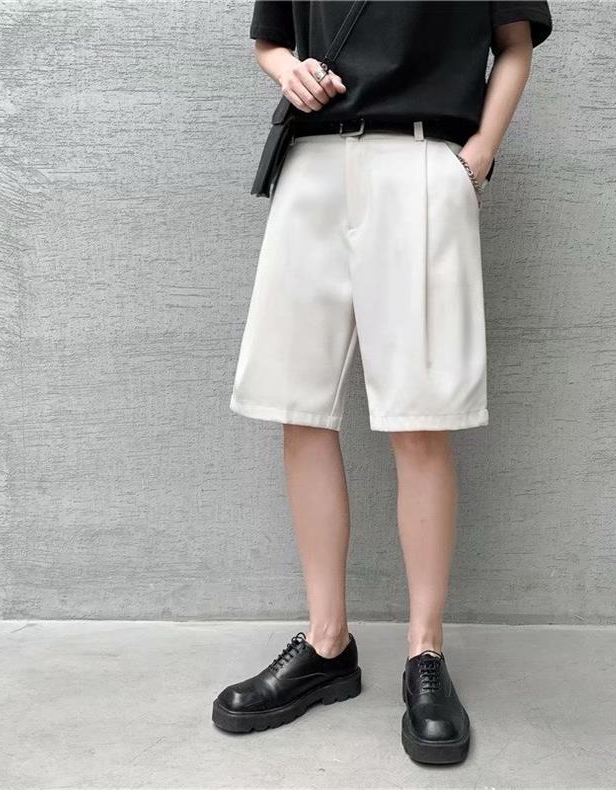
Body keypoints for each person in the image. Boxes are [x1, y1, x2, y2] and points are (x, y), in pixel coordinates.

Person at [212, 0, 553, 765]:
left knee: (419, 418)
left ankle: (425, 651)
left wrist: (480, 153)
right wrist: (287, 72)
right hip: (312, 165)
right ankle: (327, 643)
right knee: (298, 403)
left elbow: (515, 43)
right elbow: (270, 39)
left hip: (422, 162)